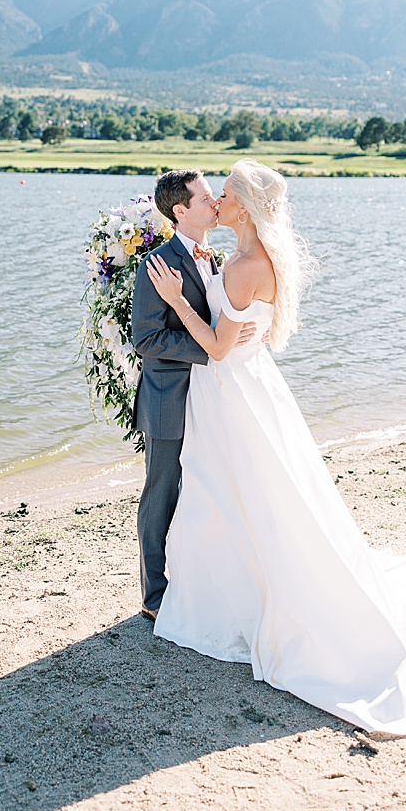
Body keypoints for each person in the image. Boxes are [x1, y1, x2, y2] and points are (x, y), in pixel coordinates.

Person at [142, 158, 406, 736]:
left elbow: (214, 346)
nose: (219, 201)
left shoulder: (244, 266)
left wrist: (178, 298)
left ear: (246, 206)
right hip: (239, 389)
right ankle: (216, 589)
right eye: (215, 194)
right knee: (234, 494)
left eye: (227, 193)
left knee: (242, 494)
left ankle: (229, 599)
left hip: (230, 390)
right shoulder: (236, 259)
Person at [130, 169, 258, 622]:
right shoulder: (157, 266)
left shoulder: (216, 256)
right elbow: (145, 339)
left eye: (213, 197)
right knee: (161, 492)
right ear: (180, 210)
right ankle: (154, 595)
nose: (215, 204)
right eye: (206, 199)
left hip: (209, 398)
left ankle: (195, 579)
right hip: (169, 396)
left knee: (204, 489)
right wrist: (211, 352)